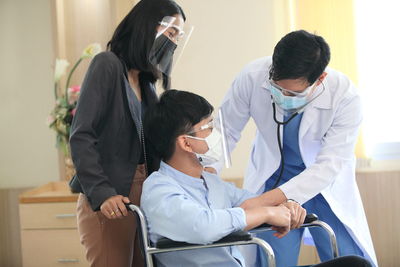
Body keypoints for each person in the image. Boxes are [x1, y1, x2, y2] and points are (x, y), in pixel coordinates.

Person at [141, 89, 372, 267]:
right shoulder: (159, 189)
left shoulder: (211, 182)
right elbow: (203, 226)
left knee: (354, 264)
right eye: (208, 127)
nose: (216, 134)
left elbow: (252, 200)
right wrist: (267, 213)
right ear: (185, 142)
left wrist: (287, 206)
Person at [208, 30, 377, 266]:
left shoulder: (345, 96)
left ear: (320, 79)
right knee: (273, 258)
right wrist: (205, 179)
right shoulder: (252, 76)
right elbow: (224, 133)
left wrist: (262, 202)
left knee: (347, 257)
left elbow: (329, 165)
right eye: (277, 88)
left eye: (293, 93)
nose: (283, 97)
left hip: (323, 187)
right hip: (274, 179)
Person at [68, 0, 187, 266]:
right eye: (171, 33)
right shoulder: (107, 65)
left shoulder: (146, 85)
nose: (174, 43)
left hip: (144, 196)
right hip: (113, 197)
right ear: (147, 27)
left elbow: (155, 144)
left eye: (178, 36)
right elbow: (81, 135)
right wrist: (102, 192)